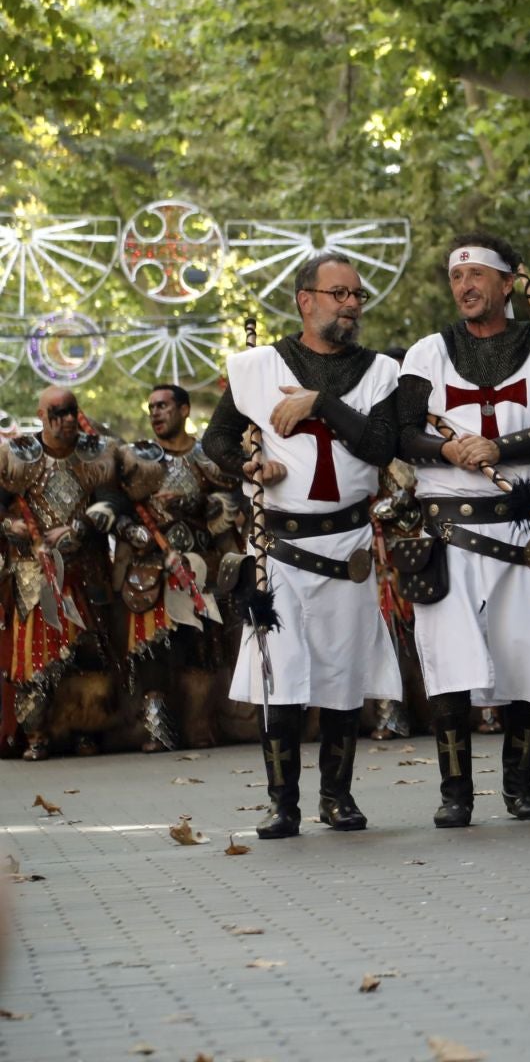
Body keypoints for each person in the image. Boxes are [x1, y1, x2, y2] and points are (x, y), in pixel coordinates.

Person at [203, 254, 402, 835]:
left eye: (357, 295)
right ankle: (282, 803)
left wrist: (320, 403)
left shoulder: (381, 372)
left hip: (348, 545)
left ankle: (337, 797)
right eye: (339, 294)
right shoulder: (257, 367)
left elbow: (380, 446)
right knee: (281, 677)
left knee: (343, 676)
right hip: (281, 548)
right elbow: (216, 439)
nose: (351, 305)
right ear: (305, 300)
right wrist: (249, 465)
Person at [395, 233, 530, 827]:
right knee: (448, 662)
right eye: (457, 277)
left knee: (525, 656)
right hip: (451, 535)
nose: (466, 286)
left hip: (524, 534)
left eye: (477, 275)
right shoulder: (427, 353)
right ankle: (456, 793)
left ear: (507, 283)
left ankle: (520, 787)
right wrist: (447, 451)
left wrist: (499, 447)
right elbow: (402, 433)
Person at [0, 388, 164, 760]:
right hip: (33, 573)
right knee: (35, 659)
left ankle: (87, 730)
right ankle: (37, 735)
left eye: (72, 411)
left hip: (86, 569)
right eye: (58, 413)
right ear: (41, 415)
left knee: (91, 656)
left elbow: (117, 498)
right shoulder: (16, 456)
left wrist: (82, 524)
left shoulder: (97, 453)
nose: (68, 420)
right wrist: (13, 526)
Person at [131, 384, 244, 751]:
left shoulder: (207, 455)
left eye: (163, 406)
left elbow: (234, 495)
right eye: (151, 407)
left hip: (199, 568)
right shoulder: (138, 459)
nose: (155, 413)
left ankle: (199, 726)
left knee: (201, 651)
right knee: (152, 651)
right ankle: (157, 731)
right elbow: (117, 502)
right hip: (151, 568)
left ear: (184, 410)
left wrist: (195, 502)